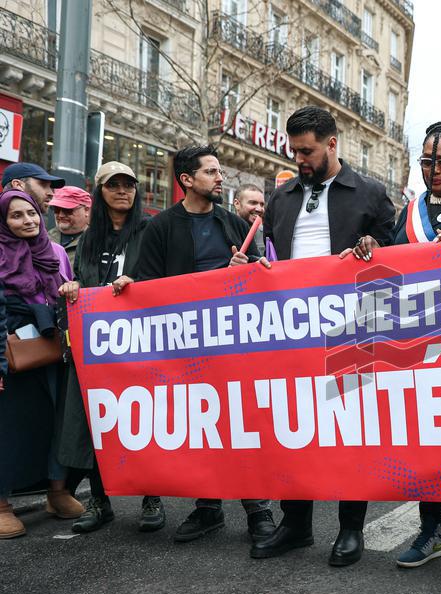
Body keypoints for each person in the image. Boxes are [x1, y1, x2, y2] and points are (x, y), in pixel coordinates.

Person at [346, 120, 441, 580]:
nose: (433, 170)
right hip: (419, 346)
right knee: (427, 440)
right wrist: (373, 249)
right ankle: (432, 529)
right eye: (427, 162)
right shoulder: (410, 212)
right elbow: (393, 268)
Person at [250, 106, 394, 564]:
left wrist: (376, 248)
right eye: (295, 152)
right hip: (293, 332)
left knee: (349, 428)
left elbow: (399, 255)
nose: (300, 160)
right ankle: (296, 525)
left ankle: (351, 528)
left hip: (351, 328)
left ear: (332, 145)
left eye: (307, 151)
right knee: (296, 427)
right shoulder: (284, 197)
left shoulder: (369, 193)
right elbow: (271, 255)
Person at [135, 145, 276, 545]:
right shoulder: (160, 227)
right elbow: (149, 287)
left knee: (242, 425)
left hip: (232, 345)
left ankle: (258, 510)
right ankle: (208, 508)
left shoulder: (233, 224)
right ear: (186, 180)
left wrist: (245, 273)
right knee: (202, 426)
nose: (220, 178)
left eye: (219, 171)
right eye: (211, 172)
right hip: (185, 347)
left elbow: (257, 282)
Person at [55, 162, 161, 534]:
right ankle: (100, 501)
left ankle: (152, 496)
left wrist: (140, 281)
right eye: (113, 185)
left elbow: (166, 278)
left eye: (128, 185)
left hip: (141, 344)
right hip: (97, 350)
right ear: (99, 192)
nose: (122, 191)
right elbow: (81, 282)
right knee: (99, 423)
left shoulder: (150, 230)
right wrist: (73, 288)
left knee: (143, 422)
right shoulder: (89, 237)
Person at [0, 190, 82, 538]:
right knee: (11, 426)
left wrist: (73, 289)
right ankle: (2, 504)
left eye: (31, 213)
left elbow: (68, 289)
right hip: (11, 351)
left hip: (54, 348)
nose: (28, 221)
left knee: (56, 419)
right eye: (16, 216)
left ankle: (57, 491)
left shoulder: (57, 252)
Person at [48, 186, 91, 266]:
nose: (61, 215)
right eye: (56, 209)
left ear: (86, 210)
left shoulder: (98, 243)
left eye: (67, 210)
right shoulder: (43, 239)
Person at [233, 184, 266, 250]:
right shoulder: (223, 231)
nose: (259, 209)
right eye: (253, 203)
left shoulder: (266, 234)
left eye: (262, 204)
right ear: (237, 204)